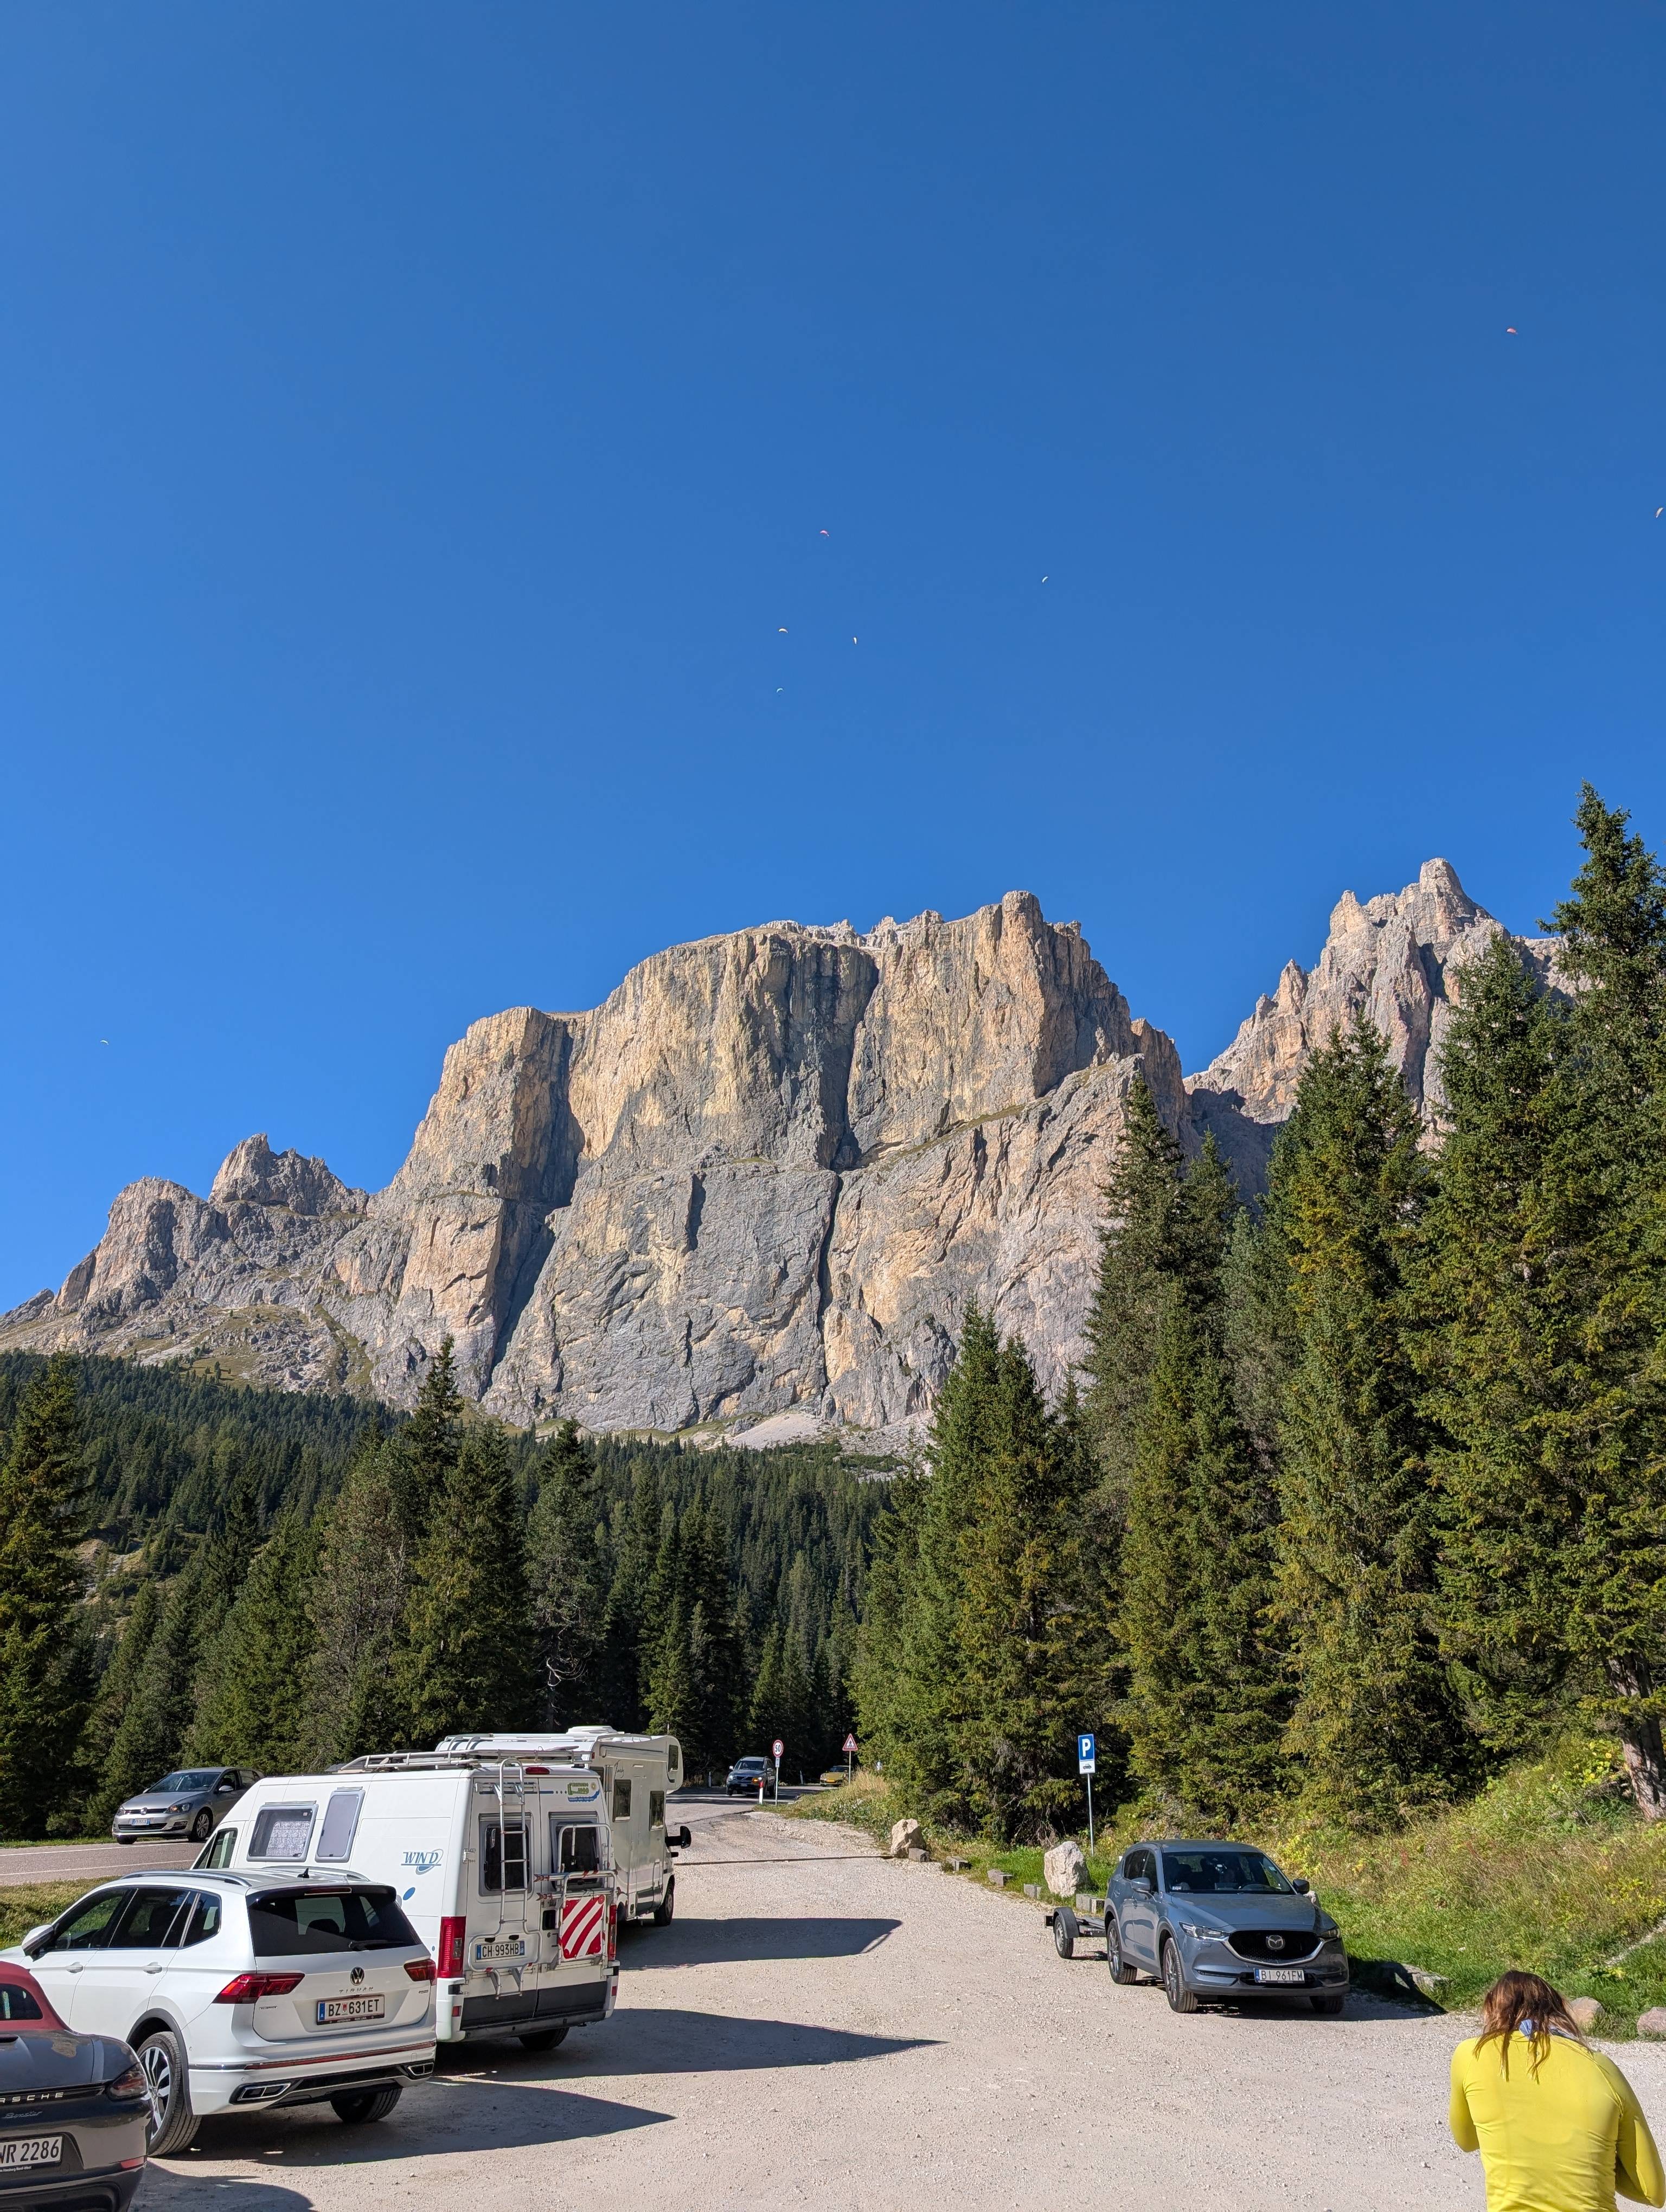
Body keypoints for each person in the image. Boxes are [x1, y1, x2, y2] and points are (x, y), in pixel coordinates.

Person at [1449, 1970, 1664, 2211]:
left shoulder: (1472, 2055)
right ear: (1557, 2010)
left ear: (1491, 2009)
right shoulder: (1601, 2067)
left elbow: (1467, 2141)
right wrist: (1597, 2162)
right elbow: (1653, 2192)